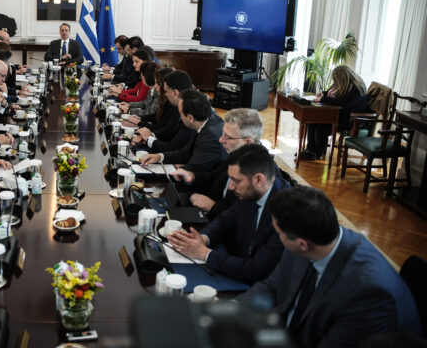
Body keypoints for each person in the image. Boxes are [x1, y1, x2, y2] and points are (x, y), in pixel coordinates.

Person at [240, 186, 422, 347]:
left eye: (279, 234)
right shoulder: (311, 236)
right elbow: (271, 286)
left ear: (302, 244)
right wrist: (233, 311)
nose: (278, 238)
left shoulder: (369, 293)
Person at [168, 144, 289, 284]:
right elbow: (225, 220)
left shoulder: (286, 213)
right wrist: (203, 239)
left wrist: (203, 253)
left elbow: (255, 269)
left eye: (236, 180)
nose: (230, 187)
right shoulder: (252, 191)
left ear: (259, 180)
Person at [169, 108, 263, 219]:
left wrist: (213, 207)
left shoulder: (258, 175)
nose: (221, 140)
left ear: (248, 142)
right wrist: (192, 176)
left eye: (227, 136)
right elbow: (214, 177)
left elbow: (245, 218)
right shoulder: (236, 154)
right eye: (223, 133)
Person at [141, 89, 226, 174]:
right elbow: (185, 152)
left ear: (190, 118)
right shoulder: (201, 121)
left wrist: (183, 167)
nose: (180, 118)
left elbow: (195, 170)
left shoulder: (210, 137)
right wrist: (159, 157)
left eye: (180, 114)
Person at [301, 65, 368, 160]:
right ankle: (310, 150)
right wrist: (323, 94)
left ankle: (317, 153)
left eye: (336, 80)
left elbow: (342, 102)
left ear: (342, 79)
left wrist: (323, 99)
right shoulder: (342, 84)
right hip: (336, 115)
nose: (335, 83)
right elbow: (331, 92)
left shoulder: (356, 89)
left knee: (321, 129)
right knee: (312, 121)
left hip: (348, 119)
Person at [133, 70, 195, 154]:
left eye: (166, 91)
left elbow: (173, 147)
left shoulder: (189, 114)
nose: (165, 94)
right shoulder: (179, 105)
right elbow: (168, 128)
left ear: (175, 93)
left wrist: (149, 137)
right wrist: (149, 135)